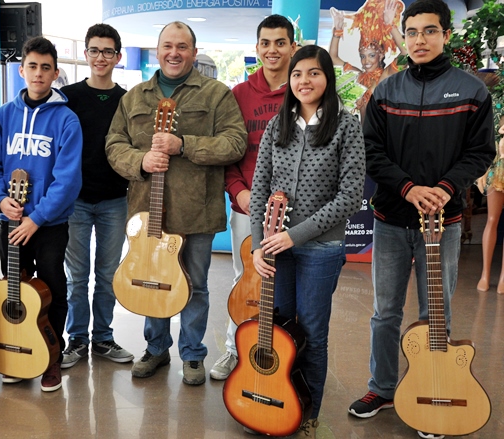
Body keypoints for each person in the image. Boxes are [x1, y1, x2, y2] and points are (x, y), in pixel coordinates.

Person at [348, 1, 495, 438]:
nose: (419, 40)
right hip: (392, 219)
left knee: (437, 311)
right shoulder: (386, 91)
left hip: (444, 222)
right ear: (404, 37)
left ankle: (436, 385)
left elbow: (481, 152)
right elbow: (371, 151)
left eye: (429, 31)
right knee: (385, 312)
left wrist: (446, 189)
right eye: (411, 32)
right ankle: (383, 388)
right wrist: (410, 188)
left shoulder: (472, 91)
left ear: (446, 35)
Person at [106, 21, 247, 386]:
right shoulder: (134, 97)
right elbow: (114, 144)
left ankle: (192, 354)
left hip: (196, 211)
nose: (174, 53)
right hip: (146, 210)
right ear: (157, 50)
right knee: (151, 278)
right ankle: (155, 349)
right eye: (167, 45)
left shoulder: (217, 94)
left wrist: (184, 145)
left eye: (182, 46)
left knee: (195, 285)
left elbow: (235, 142)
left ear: (194, 53)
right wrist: (139, 161)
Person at [248, 45, 365, 437]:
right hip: (274, 250)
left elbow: (349, 197)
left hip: (321, 250)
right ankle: (277, 394)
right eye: (297, 74)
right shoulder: (276, 127)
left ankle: (309, 407)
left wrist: (291, 235)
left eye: (313, 73)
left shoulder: (346, 127)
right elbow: (259, 188)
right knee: (278, 329)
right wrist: (256, 245)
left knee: (312, 331)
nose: (304, 81)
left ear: (327, 78)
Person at [0, 36, 83, 392]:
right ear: (21, 69)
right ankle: (14, 349)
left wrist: (36, 218)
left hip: (49, 224)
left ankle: (52, 356)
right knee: (15, 288)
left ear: (55, 73)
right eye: (32, 66)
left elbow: (67, 179)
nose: (38, 73)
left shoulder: (66, 120)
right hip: (10, 220)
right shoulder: (4, 116)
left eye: (46, 67)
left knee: (52, 287)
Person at [210, 14, 296, 381]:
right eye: (265, 43)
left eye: (280, 42)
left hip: (297, 214)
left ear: (293, 46)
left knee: (290, 285)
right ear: (257, 47)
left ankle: (287, 356)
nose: (272, 50)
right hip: (248, 207)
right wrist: (238, 192)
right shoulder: (239, 95)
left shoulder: (306, 90)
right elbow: (229, 152)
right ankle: (235, 351)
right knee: (245, 281)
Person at [60, 23, 133, 368]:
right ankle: (76, 340)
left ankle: (103, 337)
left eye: (108, 51)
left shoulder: (127, 100)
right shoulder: (67, 97)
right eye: (94, 50)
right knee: (77, 276)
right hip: (74, 200)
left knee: (107, 274)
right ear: (85, 54)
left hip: (115, 199)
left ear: (118, 57)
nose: (100, 57)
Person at [329, 0, 406, 120]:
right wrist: (337, 31)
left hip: (382, 136)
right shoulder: (360, 76)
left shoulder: (386, 75)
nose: (366, 61)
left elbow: (407, 53)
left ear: (380, 55)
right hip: (360, 136)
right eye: (362, 56)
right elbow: (332, 58)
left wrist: (390, 26)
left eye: (371, 55)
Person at [477, 117, 504, 293]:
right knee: (492, 219)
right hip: (496, 166)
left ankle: (503, 277)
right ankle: (485, 274)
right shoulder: (493, 97)